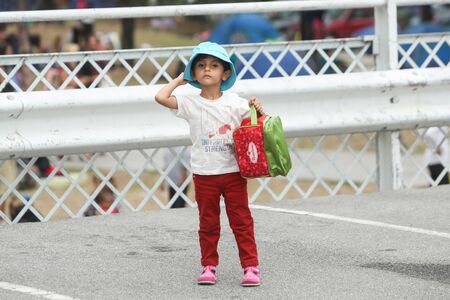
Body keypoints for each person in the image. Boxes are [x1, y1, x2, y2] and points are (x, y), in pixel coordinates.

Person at [155, 41, 264, 287]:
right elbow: (160, 97)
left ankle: (250, 267)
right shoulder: (189, 102)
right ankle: (209, 266)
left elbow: (257, 126)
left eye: (214, 65)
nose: (207, 69)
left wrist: (258, 107)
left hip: (234, 172)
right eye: (201, 65)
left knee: (241, 221)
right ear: (193, 72)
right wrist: (180, 80)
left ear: (225, 73)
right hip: (204, 174)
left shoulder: (236, 103)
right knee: (208, 223)